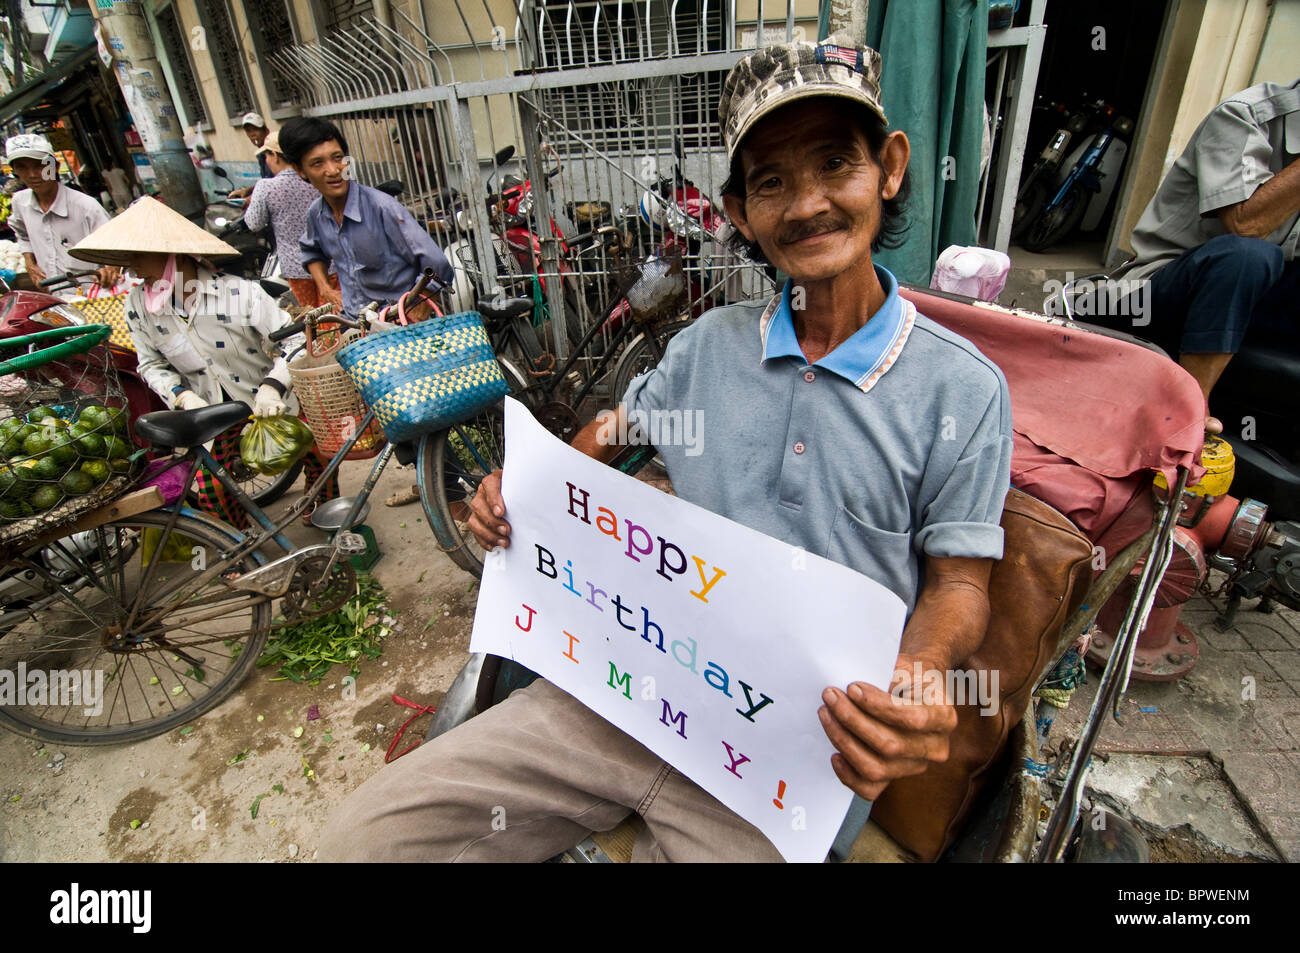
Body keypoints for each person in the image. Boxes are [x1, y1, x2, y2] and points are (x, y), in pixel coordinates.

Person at [318, 34, 1013, 862]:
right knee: (365, 840)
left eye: (836, 164)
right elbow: (612, 435)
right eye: (771, 182)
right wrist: (525, 488)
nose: (806, 205)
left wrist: (921, 672)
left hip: (789, 759)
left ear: (890, 168)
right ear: (739, 213)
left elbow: (960, 580)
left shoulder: (962, 390)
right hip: (626, 686)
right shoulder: (706, 347)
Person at [68, 196, 340, 526]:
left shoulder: (238, 293)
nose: (133, 269)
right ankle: (241, 540)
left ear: (169, 253)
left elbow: (296, 341)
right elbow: (150, 364)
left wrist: (272, 386)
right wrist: (181, 396)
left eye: (138, 256)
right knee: (212, 491)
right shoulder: (138, 306)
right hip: (211, 412)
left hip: (269, 398)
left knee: (321, 451)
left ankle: (325, 508)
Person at [1110, 78, 1300, 430]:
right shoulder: (1244, 115)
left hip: (1264, 295)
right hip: (1168, 284)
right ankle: (1187, 413)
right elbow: (1246, 224)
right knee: (1249, 255)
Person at [279, 116, 454, 320]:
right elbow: (312, 251)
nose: (334, 170)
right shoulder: (316, 214)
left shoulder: (382, 208)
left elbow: (437, 264)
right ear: (300, 170)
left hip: (399, 324)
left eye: (338, 158)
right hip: (356, 323)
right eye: (318, 163)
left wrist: (417, 310)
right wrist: (325, 288)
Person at [5, 133, 118, 295]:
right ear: (15, 171)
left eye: (40, 166)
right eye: (22, 167)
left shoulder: (85, 206)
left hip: (92, 296)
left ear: (55, 166)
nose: (32, 174)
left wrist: (111, 268)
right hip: (55, 297)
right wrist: (30, 263)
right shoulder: (20, 202)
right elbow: (22, 235)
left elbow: (116, 245)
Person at [242, 130, 338, 308]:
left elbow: (254, 223)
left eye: (266, 156)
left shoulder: (266, 187)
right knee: (334, 312)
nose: (267, 161)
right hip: (330, 263)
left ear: (274, 155)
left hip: (296, 268)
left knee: (310, 314)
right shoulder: (317, 178)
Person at [227, 112, 275, 200]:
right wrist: (248, 191)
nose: (252, 134)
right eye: (248, 131)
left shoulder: (273, 153)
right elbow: (266, 183)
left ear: (266, 131)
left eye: (255, 129)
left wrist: (252, 198)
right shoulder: (261, 155)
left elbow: (275, 184)